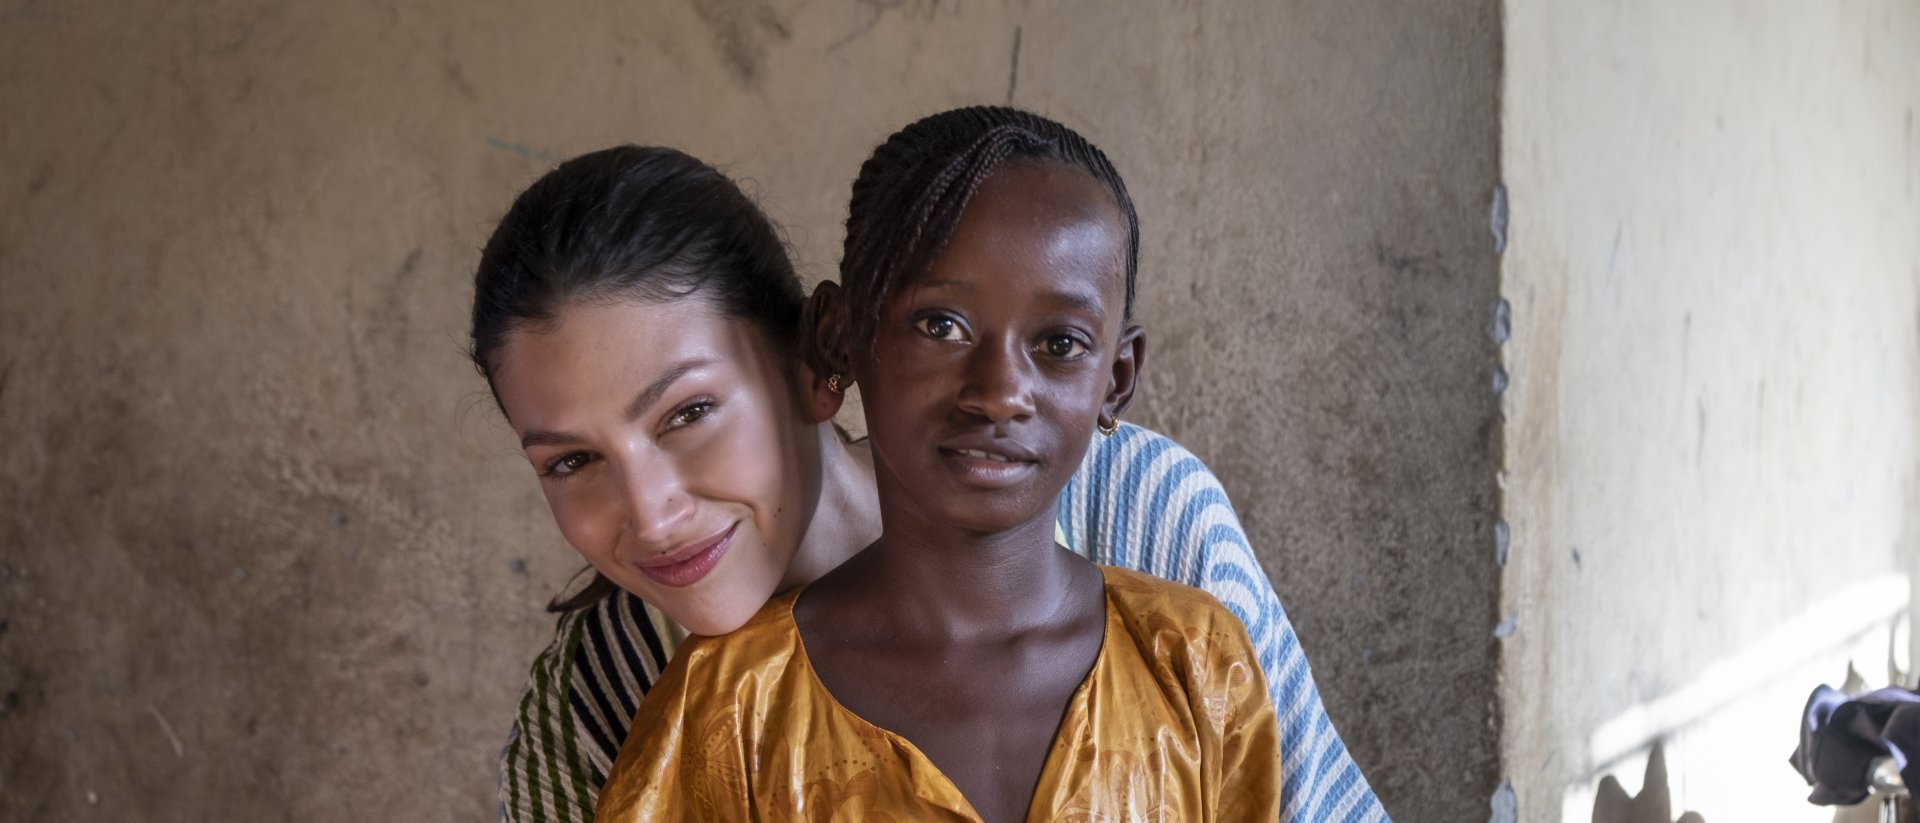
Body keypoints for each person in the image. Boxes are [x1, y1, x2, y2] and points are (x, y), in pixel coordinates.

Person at [472, 146, 1388, 820]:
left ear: (815, 363)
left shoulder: (1140, 516)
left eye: (687, 413)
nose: (652, 512)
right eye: (571, 460)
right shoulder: (605, 698)